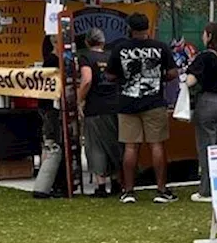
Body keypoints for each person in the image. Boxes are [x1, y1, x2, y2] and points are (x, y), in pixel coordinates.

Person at [108, 13, 180, 204]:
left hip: (127, 101)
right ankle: (161, 189)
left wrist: (127, 79)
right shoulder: (160, 47)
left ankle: (129, 190)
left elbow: (110, 75)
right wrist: (157, 80)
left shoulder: (120, 48)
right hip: (154, 101)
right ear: (148, 28)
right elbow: (173, 72)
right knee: (157, 144)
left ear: (130, 29)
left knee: (130, 146)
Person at [187, 22, 217, 203]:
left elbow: (190, 81)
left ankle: (207, 190)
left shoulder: (206, 56)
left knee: (207, 148)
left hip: (209, 102)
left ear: (208, 36)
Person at [77, 28, 122, 198]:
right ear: (103, 42)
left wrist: (80, 100)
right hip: (114, 106)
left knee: (95, 146)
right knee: (114, 144)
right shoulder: (111, 56)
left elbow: (87, 79)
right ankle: (117, 182)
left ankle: (101, 186)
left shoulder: (86, 58)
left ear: (88, 42)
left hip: (95, 107)